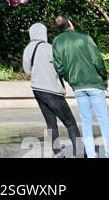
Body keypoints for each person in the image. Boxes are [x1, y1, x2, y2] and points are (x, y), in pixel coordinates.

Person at [52, 16, 109, 158]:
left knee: (86, 123)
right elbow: (97, 60)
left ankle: (91, 155)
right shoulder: (84, 37)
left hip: (78, 86)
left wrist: (71, 80)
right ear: (71, 23)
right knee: (104, 121)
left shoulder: (56, 42)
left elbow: (59, 67)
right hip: (94, 83)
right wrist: (103, 78)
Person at [23, 22, 80, 157]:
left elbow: (27, 71)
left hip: (37, 89)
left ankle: (57, 152)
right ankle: (80, 152)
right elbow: (60, 68)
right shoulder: (50, 48)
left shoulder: (28, 49)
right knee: (70, 123)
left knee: (50, 123)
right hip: (52, 91)